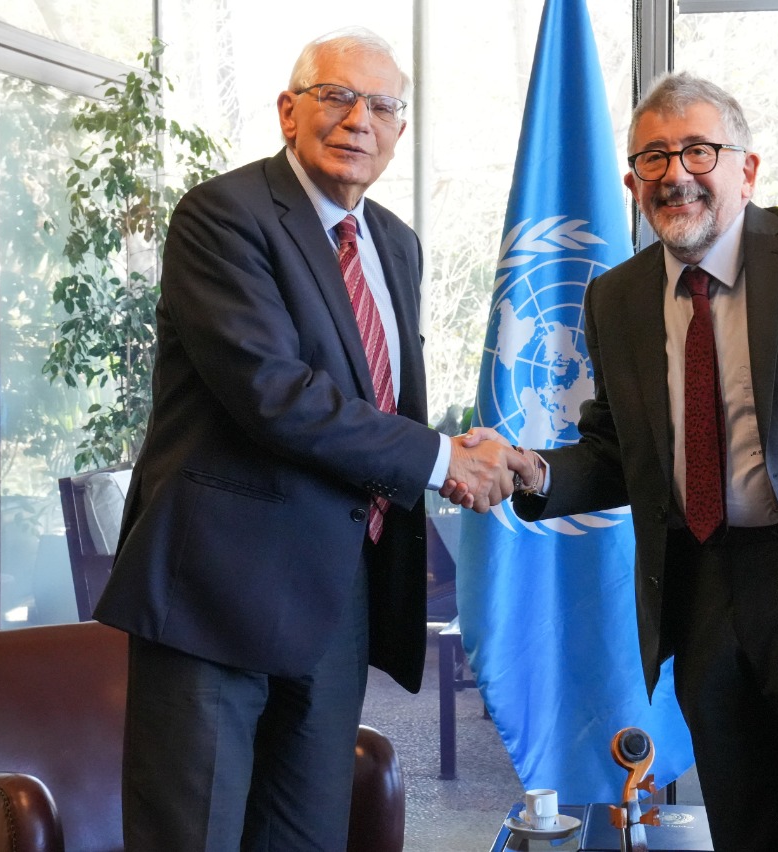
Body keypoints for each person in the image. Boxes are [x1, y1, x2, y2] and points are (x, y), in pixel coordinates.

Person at [451, 72, 778, 851]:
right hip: (699, 592)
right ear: (634, 183)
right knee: (742, 828)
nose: (677, 174)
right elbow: (615, 450)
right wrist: (531, 471)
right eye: (655, 158)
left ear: (747, 168)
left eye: (699, 150)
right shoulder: (617, 298)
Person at [94, 29, 523, 851]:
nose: (359, 118)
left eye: (382, 105)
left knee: (307, 838)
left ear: (400, 131)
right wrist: (441, 461)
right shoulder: (222, 217)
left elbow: (382, 399)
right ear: (289, 111)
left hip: (337, 601)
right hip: (218, 599)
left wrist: (463, 454)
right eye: (336, 96)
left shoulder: (395, 243)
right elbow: (275, 395)